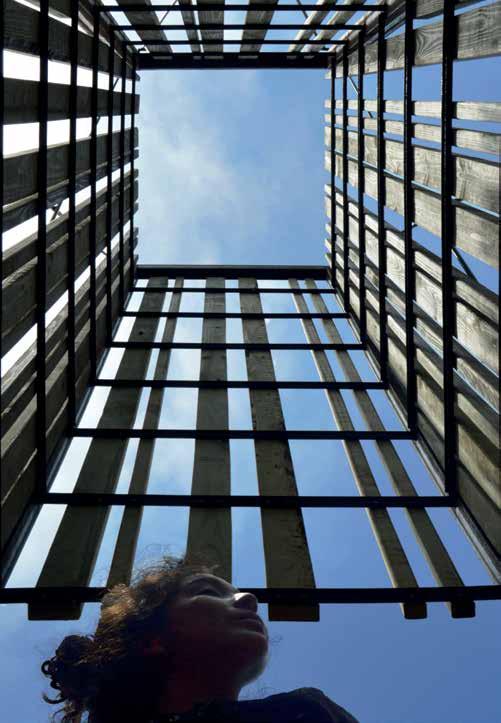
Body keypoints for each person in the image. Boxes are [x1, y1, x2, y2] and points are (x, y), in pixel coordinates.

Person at [42, 554, 359, 722]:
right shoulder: (299, 713)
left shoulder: (303, 712)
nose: (249, 599)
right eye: (208, 592)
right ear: (152, 638)